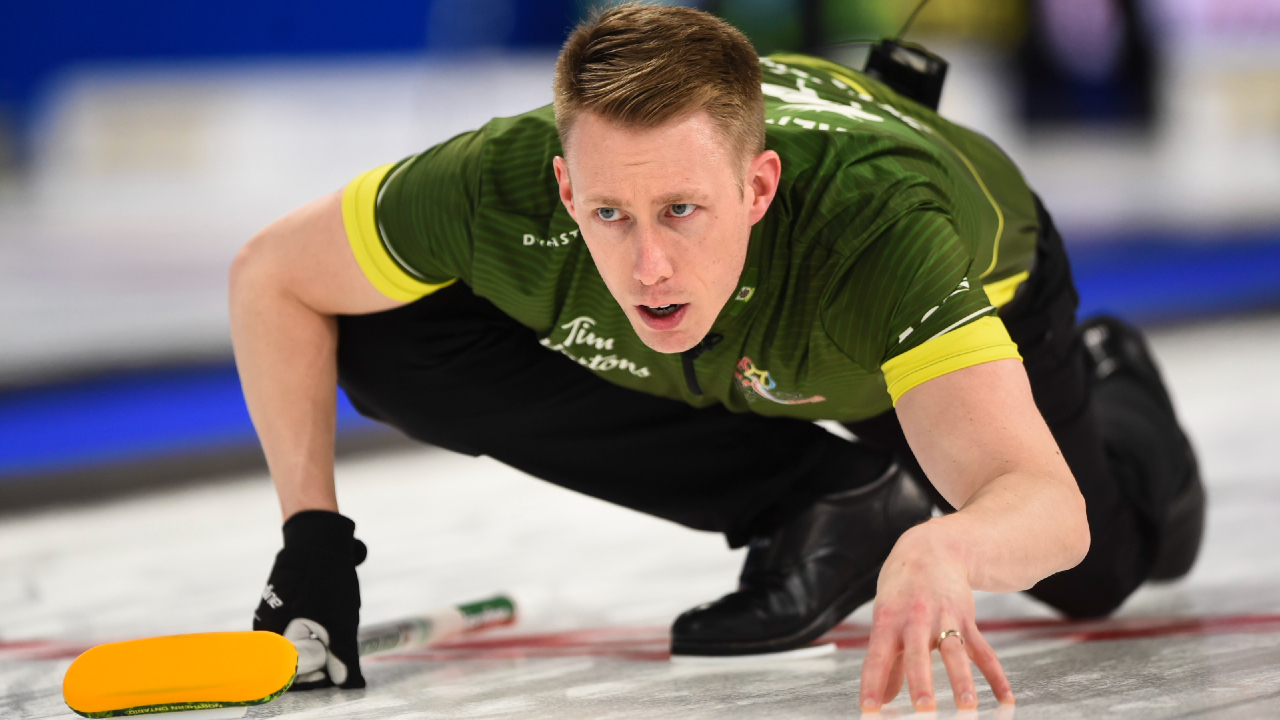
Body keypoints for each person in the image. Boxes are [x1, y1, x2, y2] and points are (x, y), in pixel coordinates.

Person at [231, 4, 1203, 712]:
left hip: (933, 305)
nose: (648, 264)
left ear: (759, 183)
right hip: (749, 341)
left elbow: (1044, 508)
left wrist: (942, 543)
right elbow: (271, 276)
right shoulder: (492, 186)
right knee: (389, 344)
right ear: (564, 189)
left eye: (680, 211)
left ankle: (1109, 380)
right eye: (609, 213)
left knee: (1099, 573)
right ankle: (819, 500)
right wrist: (311, 542)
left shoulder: (875, 234)